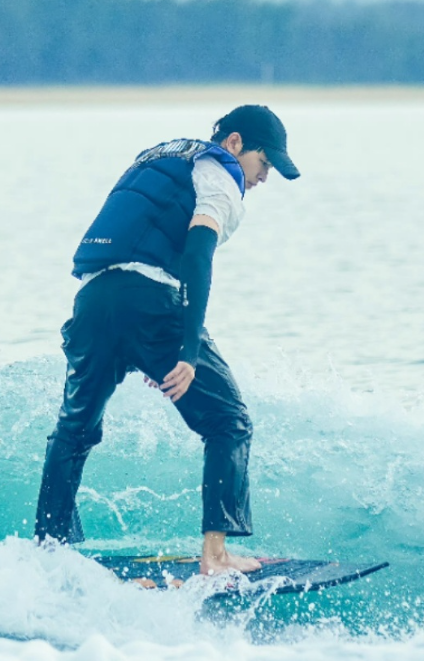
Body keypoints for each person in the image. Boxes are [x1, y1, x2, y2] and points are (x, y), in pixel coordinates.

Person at [34, 105, 300, 575]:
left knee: (74, 429)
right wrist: (188, 351)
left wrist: (140, 353)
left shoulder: (158, 157)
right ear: (236, 143)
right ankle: (215, 556)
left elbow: (136, 235)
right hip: (152, 304)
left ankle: (48, 549)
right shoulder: (221, 171)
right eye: (265, 163)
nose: (264, 178)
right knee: (229, 422)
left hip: (94, 303)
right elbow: (198, 257)